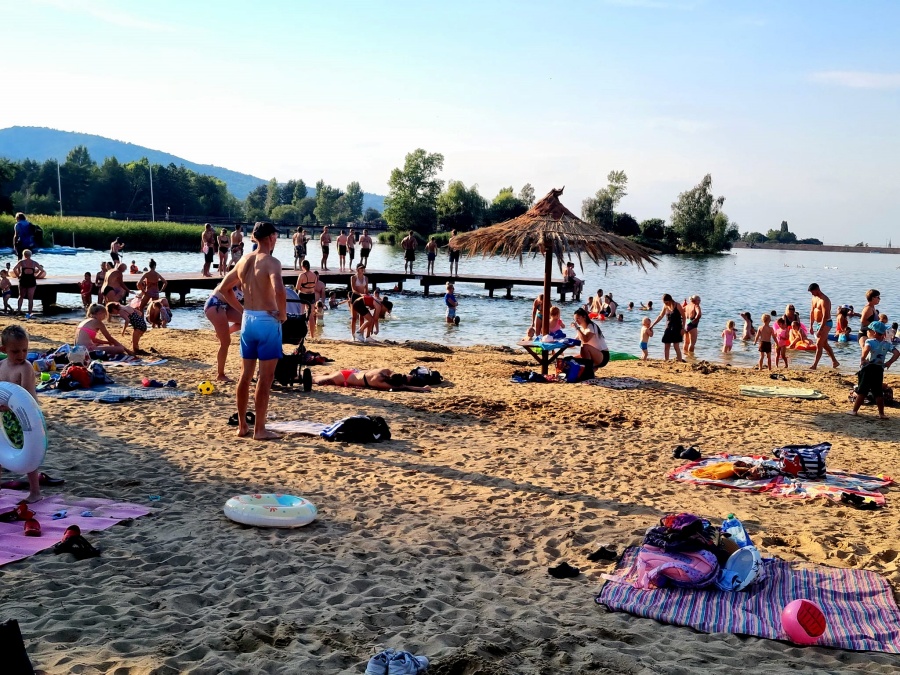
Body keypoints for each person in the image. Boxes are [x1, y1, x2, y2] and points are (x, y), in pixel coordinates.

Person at [219, 221, 286, 440]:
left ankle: (242, 427)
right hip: (267, 321)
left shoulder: (243, 261)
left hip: (248, 320)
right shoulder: (271, 262)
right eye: (275, 236)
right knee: (265, 379)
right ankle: (259, 429)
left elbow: (223, 289)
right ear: (270, 238)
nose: (275, 239)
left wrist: (242, 309)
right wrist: (283, 314)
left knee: (245, 376)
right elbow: (279, 291)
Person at [0, 325, 44, 502]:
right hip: (5, 417)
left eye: (25, 350)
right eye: (15, 351)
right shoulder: (1, 365)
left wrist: (8, 407)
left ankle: (35, 491)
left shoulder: (25, 368)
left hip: (23, 417)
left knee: (28, 454)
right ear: (4, 350)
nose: (21, 355)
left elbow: (25, 395)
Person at [853, 321, 899, 419]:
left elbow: (866, 349)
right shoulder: (887, 344)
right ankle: (881, 414)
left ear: (873, 332)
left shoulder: (869, 341)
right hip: (879, 369)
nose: (867, 333)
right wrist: (889, 362)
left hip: (868, 368)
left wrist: (862, 358)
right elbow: (897, 353)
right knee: (878, 392)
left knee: (862, 391)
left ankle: (854, 411)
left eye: (868, 331)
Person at [204, 281, 243, 382]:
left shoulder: (250, 281)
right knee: (226, 343)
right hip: (214, 305)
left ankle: (223, 333)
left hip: (226, 307)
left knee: (246, 321)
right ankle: (220, 375)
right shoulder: (235, 278)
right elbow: (225, 293)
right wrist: (243, 310)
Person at [313, 368, 432, 392]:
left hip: (350, 372)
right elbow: (405, 387)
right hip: (345, 378)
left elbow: (395, 374)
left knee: (319, 377)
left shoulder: (384, 371)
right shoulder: (380, 382)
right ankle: (297, 377)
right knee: (315, 380)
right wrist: (423, 389)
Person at [808, 283, 840, 369]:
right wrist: (810, 325)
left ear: (817, 289)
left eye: (812, 292)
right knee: (824, 344)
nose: (812, 294)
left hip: (826, 323)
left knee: (818, 344)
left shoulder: (825, 300)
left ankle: (814, 365)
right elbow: (812, 312)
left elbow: (825, 316)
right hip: (818, 323)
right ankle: (835, 362)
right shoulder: (814, 298)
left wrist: (821, 329)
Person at [570, 307, 610, 373]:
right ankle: (590, 368)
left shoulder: (591, 326)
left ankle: (588, 369)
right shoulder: (581, 329)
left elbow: (585, 340)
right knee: (572, 359)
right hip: (592, 354)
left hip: (602, 355)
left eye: (578, 318)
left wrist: (577, 328)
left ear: (584, 317)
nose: (576, 321)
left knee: (585, 346)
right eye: (575, 319)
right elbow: (574, 343)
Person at [650, 294, 685, 362]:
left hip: (677, 328)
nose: (666, 304)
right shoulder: (665, 306)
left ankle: (680, 362)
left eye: (666, 302)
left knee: (676, 346)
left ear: (670, 300)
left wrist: (683, 328)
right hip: (668, 327)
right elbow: (660, 316)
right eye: (664, 303)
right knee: (666, 346)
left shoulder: (677, 305)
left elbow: (684, 317)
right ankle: (666, 361)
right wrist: (652, 325)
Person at [12, 250, 45, 318]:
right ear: (30, 255)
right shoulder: (34, 263)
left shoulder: (21, 262)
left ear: (24, 255)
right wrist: (37, 276)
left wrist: (18, 276)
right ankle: (29, 313)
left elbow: (14, 269)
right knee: (30, 298)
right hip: (31, 280)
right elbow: (42, 270)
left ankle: (19, 311)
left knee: (21, 296)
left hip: (23, 279)